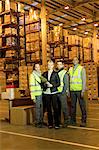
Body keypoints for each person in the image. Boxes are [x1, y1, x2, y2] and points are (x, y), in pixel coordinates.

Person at [69, 57, 87, 127]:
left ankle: (84, 121)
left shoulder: (81, 68)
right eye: (73, 60)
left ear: (78, 61)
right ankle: (73, 120)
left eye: (76, 60)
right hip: (72, 90)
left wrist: (83, 90)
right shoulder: (70, 69)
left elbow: (84, 80)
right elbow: (69, 79)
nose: (74, 61)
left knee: (82, 106)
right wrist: (68, 90)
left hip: (79, 90)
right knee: (73, 106)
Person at [42, 60, 60, 129]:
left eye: (51, 65)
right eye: (48, 65)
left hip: (54, 93)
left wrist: (52, 85)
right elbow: (42, 83)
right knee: (48, 109)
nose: (49, 66)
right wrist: (46, 85)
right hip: (47, 93)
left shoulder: (56, 74)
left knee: (55, 108)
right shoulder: (44, 74)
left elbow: (58, 83)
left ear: (53, 66)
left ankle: (57, 124)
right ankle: (50, 123)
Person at [29, 63, 43, 128]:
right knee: (37, 108)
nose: (38, 68)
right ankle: (37, 122)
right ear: (34, 68)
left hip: (41, 94)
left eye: (38, 67)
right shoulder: (32, 75)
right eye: (36, 67)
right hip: (36, 94)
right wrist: (33, 97)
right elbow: (31, 86)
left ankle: (41, 121)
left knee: (41, 108)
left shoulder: (40, 74)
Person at [57, 60, 69, 127]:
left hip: (62, 93)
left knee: (64, 107)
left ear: (63, 65)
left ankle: (66, 121)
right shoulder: (57, 72)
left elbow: (66, 84)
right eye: (58, 64)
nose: (58, 66)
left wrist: (64, 92)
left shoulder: (65, 73)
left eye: (60, 64)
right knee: (58, 108)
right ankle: (58, 121)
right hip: (57, 92)